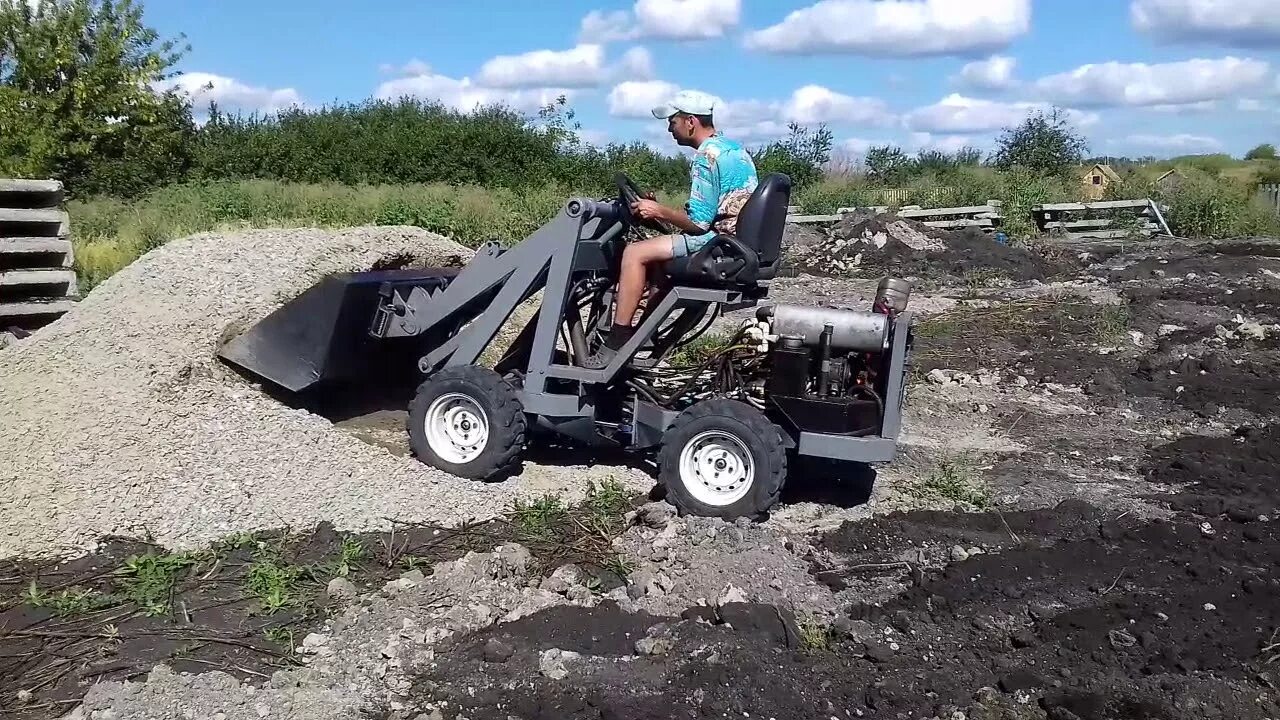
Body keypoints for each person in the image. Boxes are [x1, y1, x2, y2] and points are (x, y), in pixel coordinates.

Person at [583, 90, 759, 368]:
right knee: (657, 260)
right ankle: (647, 331)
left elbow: (699, 224)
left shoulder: (707, 157)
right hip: (734, 241)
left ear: (691, 121)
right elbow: (711, 209)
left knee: (634, 254)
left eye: (673, 121)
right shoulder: (734, 150)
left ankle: (616, 340)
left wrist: (658, 211)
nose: (669, 128)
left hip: (716, 242)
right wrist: (659, 211)